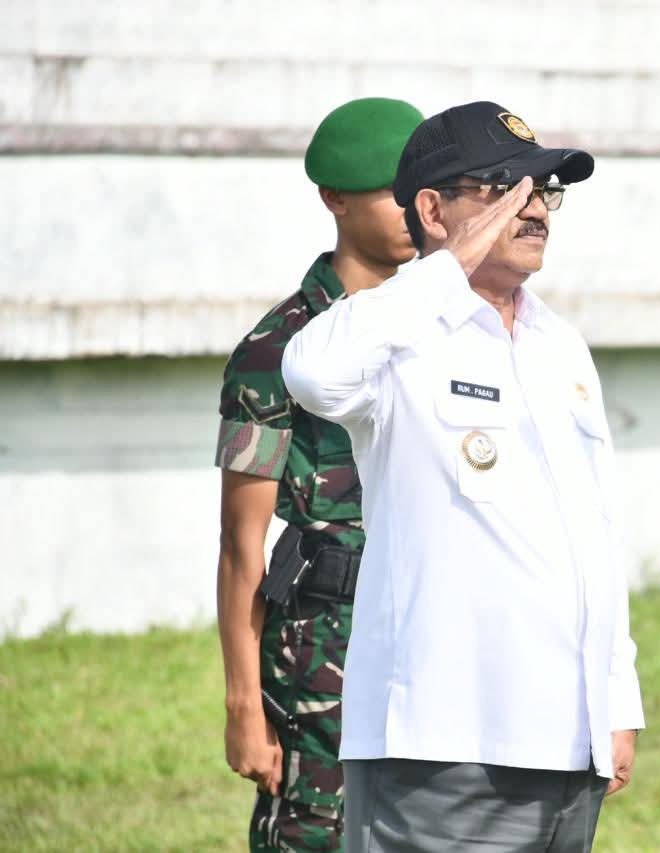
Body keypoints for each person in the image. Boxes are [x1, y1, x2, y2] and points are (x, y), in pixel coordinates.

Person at [281, 101, 645, 852]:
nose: (534, 208)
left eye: (545, 190)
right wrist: (445, 270)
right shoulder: (400, 336)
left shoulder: (559, 344)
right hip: (442, 748)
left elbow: (598, 533)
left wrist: (616, 699)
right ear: (432, 210)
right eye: (506, 189)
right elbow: (311, 374)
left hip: (566, 743)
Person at [214, 96, 424, 852]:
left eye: (423, 192)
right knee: (315, 837)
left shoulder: (444, 327)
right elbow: (241, 542)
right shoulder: (276, 350)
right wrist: (244, 704)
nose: (415, 211)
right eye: (391, 193)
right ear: (335, 198)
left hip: (426, 620)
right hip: (322, 643)